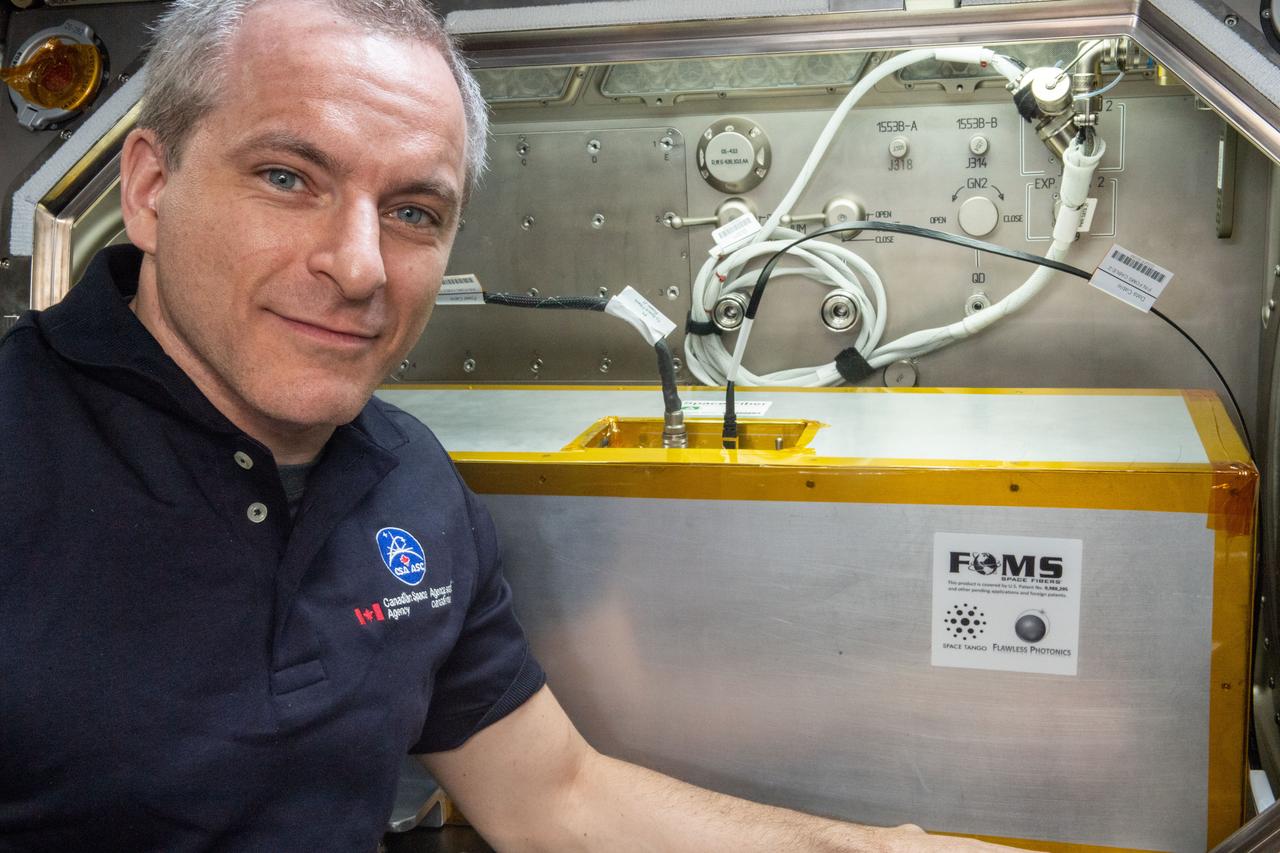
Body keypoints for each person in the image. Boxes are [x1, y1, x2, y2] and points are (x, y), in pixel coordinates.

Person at [0, 1, 1038, 850]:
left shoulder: (404, 479)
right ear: (148, 187)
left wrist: (874, 848)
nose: (358, 265)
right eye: (287, 178)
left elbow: (553, 796)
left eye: (411, 211)